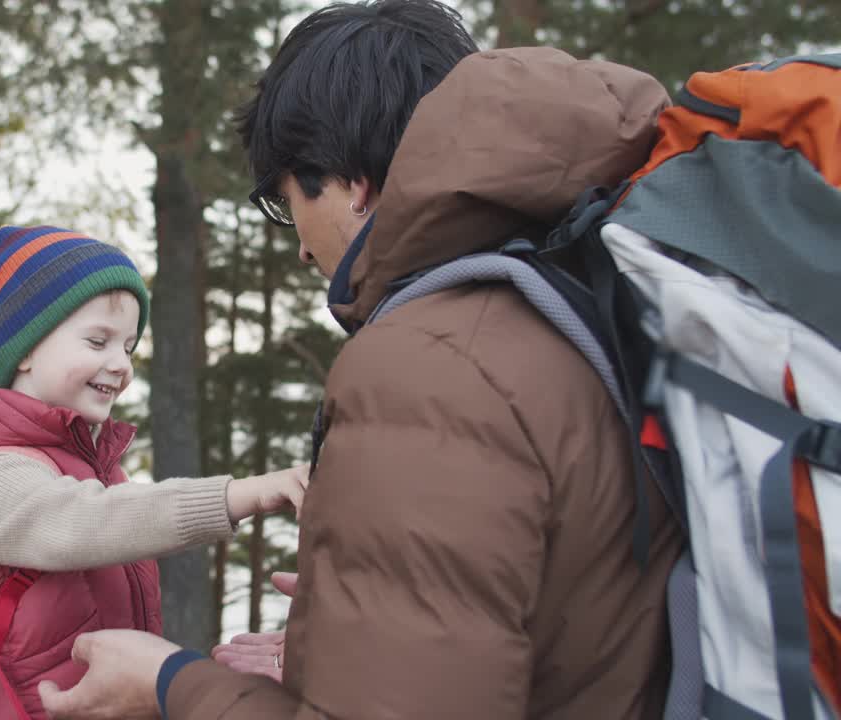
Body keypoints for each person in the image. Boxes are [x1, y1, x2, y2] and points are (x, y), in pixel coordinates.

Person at [38, 1, 684, 719]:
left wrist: (169, 685)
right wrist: (346, 652)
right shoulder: (578, 305)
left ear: (353, 181)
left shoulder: (434, 369)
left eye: (287, 205)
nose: (305, 248)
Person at [0, 224, 309, 719]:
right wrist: (243, 495)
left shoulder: (89, 466)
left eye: (129, 347)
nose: (121, 365)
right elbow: (77, 524)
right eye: (98, 342)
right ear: (24, 349)